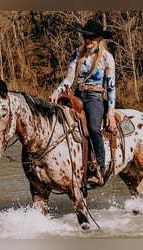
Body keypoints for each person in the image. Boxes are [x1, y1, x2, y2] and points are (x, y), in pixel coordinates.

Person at [49, 19, 116, 177]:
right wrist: (56, 92)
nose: (88, 41)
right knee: (59, 123)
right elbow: (69, 79)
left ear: (99, 39)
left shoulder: (106, 57)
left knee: (93, 128)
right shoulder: (76, 53)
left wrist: (110, 113)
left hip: (95, 97)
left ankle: (100, 166)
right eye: (86, 37)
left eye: (91, 38)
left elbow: (111, 86)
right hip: (78, 96)